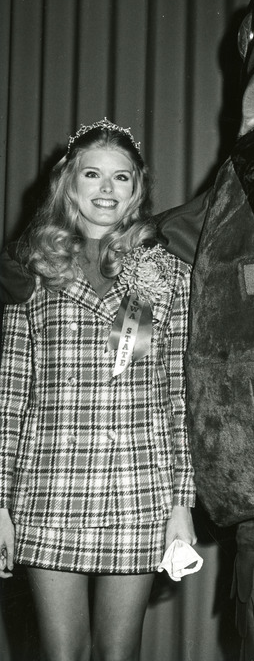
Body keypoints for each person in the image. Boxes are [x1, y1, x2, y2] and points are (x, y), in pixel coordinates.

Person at [0, 119, 196, 661]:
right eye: (93, 175)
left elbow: (177, 395)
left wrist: (182, 503)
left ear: (138, 190)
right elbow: (9, 397)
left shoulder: (162, 271)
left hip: (138, 492)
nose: (107, 189)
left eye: (121, 177)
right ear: (70, 184)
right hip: (49, 491)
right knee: (61, 653)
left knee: (119, 652)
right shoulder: (30, 270)